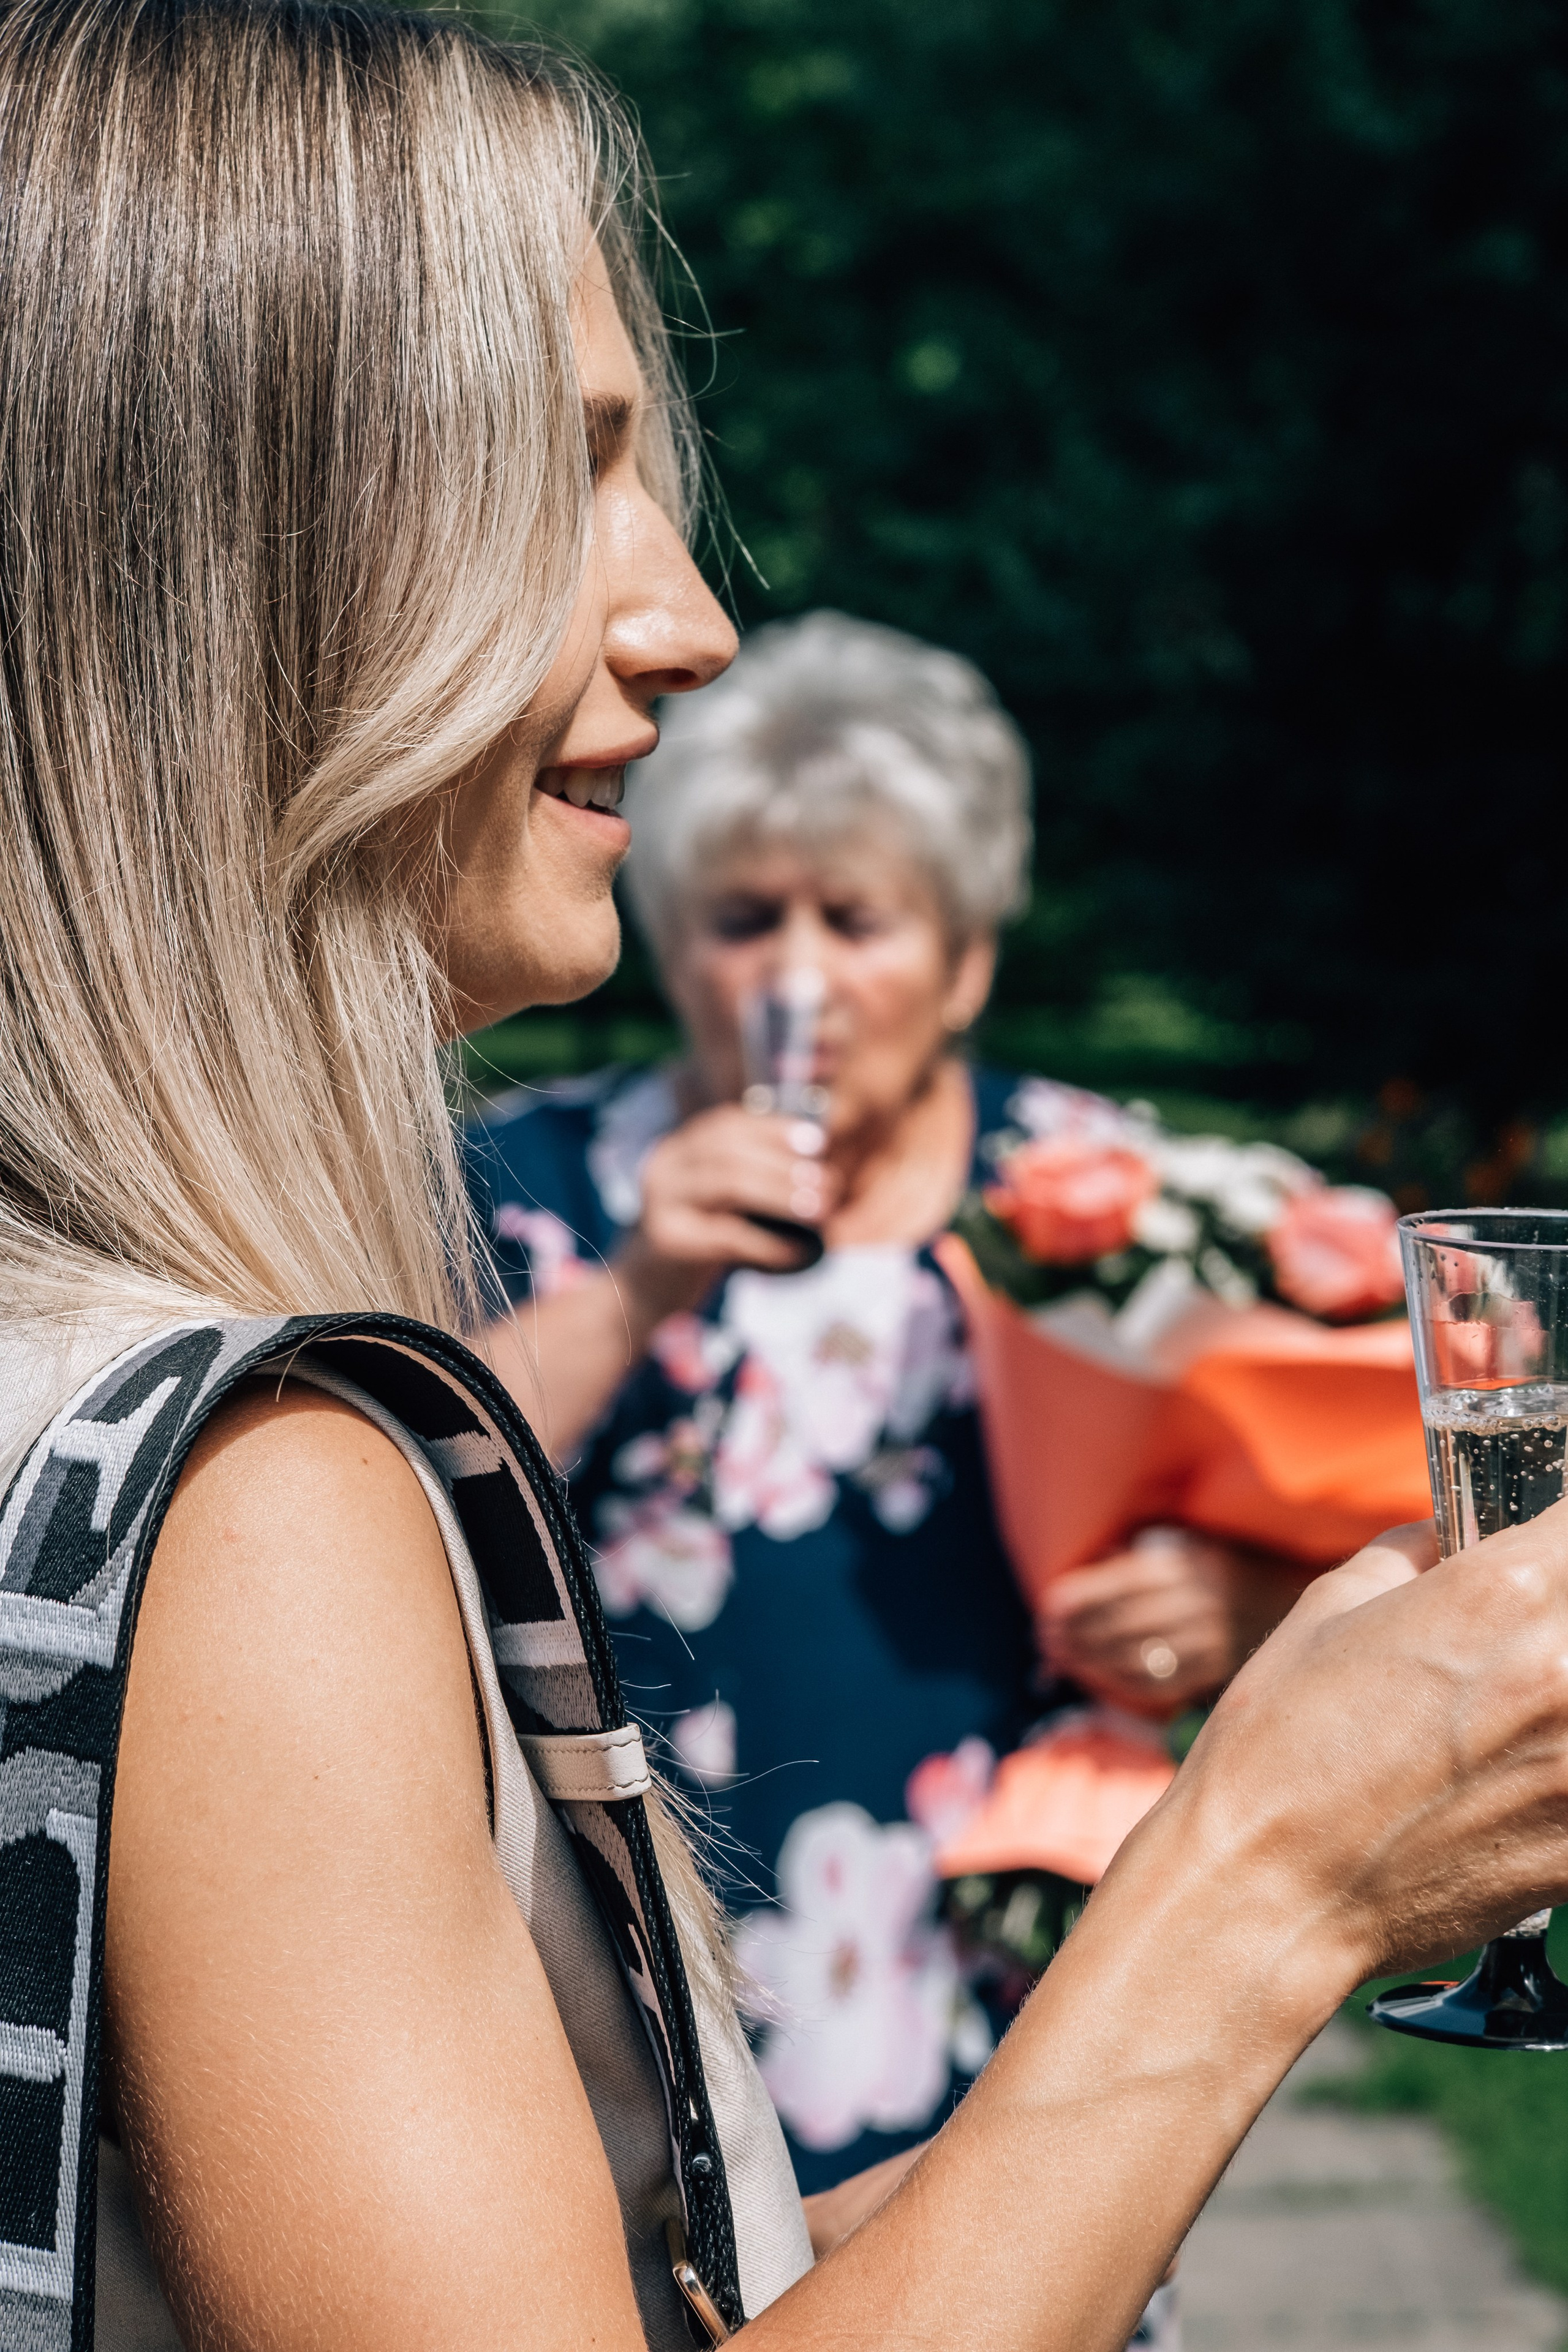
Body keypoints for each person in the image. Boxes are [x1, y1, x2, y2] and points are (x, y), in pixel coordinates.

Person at [3, 5, 1568, 2350]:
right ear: (262, 566)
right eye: (570, 469)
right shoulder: (257, 1491)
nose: (688, 616)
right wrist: (1270, 1881)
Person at [469, 610, 1316, 2203]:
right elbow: (394, 1505)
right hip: (631, 2013)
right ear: (666, 933)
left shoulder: (1098, 1204)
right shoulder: (539, 1185)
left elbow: (1362, 1483)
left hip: (997, 1994)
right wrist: (641, 1281)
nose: (797, 979)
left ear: (967, 955)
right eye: (741, 919)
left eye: (854, 920)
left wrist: (1239, 1594)